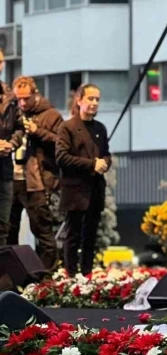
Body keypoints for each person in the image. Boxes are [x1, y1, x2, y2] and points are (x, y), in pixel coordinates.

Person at [7, 77, 63, 269]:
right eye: (19, 99)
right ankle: (13, 277)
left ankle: (46, 275)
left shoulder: (51, 115)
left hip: (36, 181)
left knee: (42, 229)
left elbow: (61, 143)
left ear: (35, 94)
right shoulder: (12, 113)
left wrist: (38, 131)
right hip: (11, 178)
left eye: (26, 98)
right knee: (8, 230)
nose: (22, 103)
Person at [56, 84, 111, 276]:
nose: (94, 103)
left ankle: (87, 274)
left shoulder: (100, 129)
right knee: (73, 236)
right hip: (75, 191)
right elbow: (61, 157)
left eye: (97, 99)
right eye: (90, 98)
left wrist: (105, 163)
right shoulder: (67, 127)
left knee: (91, 236)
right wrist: (91, 164)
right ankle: (71, 276)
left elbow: (106, 154)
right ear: (79, 100)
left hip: (95, 189)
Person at [0, 49, 23, 246]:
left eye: (0, 62)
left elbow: (19, 128)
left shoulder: (10, 96)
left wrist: (11, 144)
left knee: (3, 225)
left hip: (5, 168)